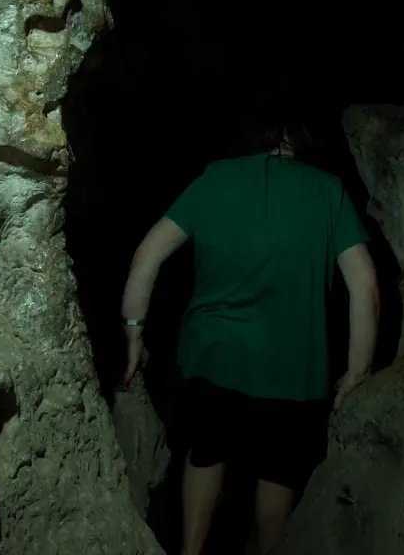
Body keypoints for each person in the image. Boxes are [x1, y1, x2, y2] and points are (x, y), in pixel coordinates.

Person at [119, 113, 381, 555]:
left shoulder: (214, 180)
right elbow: (366, 287)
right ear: (302, 138)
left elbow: (147, 254)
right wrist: (358, 371)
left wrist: (132, 334)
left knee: (206, 453)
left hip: (213, 356)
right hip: (292, 369)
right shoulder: (327, 190)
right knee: (277, 477)